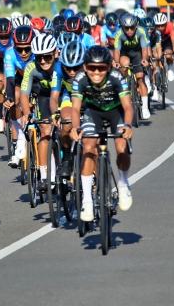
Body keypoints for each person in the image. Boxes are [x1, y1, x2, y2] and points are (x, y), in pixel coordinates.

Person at [69, 46, 135, 220]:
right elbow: (75, 108)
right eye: (92, 67)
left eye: (101, 68)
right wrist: (76, 127)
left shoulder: (117, 77)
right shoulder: (80, 78)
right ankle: (87, 202)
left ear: (109, 67)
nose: (96, 72)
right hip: (93, 112)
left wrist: (127, 125)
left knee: (122, 147)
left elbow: (128, 106)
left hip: (116, 112)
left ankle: (122, 184)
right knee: (89, 147)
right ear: (85, 67)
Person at [20, 33, 61, 190]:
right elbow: (24, 94)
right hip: (44, 97)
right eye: (38, 57)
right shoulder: (31, 67)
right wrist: (26, 114)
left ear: (55, 53)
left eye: (46, 57)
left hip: (62, 96)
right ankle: (44, 176)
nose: (42, 61)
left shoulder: (62, 65)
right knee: (45, 130)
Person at [4, 26, 35, 167]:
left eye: (27, 49)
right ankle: (20, 138)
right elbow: (10, 80)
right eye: (19, 49)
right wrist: (9, 98)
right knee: (14, 99)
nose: (23, 53)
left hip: (37, 80)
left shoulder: (38, 52)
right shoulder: (9, 54)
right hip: (20, 78)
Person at [57, 40, 86, 177]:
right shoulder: (58, 69)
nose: (72, 72)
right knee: (67, 122)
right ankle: (67, 159)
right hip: (68, 96)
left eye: (76, 67)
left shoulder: (90, 69)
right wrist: (54, 114)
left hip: (87, 97)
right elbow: (53, 97)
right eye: (68, 68)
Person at [115, 13, 151, 120]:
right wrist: (116, 62)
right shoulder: (119, 33)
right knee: (124, 65)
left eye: (132, 27)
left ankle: (144, 108)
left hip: (137, 53)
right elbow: (117, 51)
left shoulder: (141, 31)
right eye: (127, 28)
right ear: (122, 27)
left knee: (140, 78)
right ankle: (125, 86)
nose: (129, 30)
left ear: (136, 26)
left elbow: (145, 49)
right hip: (125, 53)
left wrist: (144, 60)